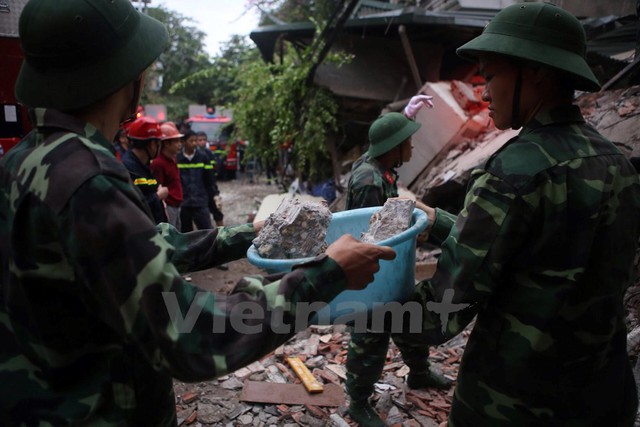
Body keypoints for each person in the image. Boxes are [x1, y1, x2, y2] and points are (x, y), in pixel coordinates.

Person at [0, 0, 397, 425]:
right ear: (127, 75)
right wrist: (327, 274)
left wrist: (251, 233)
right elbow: (191, 334)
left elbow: (144, 248)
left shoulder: (27, 158)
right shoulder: (88, 181)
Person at [406, 3, 640, 425]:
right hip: (604, 397)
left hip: (513, 402)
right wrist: (436, 222)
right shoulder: (617, 162)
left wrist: (350, 293)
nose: (483, 92)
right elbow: (549, 253)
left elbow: (438, 314)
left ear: (535, 72)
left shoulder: (515, 170)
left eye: (490, 75)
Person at [345, 104, 452, 427]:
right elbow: (371, 234)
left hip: (391, 264)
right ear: (394, 148)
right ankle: (359, 402)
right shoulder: (368, 180)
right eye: (407, 141)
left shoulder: (383, 169)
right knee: (371, 333)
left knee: (408, 314)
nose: (413, 145)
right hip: (372, 270)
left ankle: (419, 373)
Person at [122, 116, 168, 224]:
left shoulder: (142, 164)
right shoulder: (129, 168)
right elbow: (133, 206)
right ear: (152, 145)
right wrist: (158, 196)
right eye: (158, 143)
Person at [177, 129, 217, 231]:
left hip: (201, 202)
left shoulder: (203, 157)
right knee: (186, 233)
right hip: (184, 204)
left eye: (195, 141)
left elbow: (210, 179)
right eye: (191, 141)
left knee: (207, 231)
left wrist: (213, 195)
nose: (194, 143)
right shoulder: (177, 158)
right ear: (184, 142)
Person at [151, 121, 184, 229]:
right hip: (168, 207)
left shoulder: (172, 160)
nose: (180, 144)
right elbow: (158, 188)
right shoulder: (158, 163)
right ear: (166, 143)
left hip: (176, 206)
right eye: (176, 141)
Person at [195, 130, 224, 226]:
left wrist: (215, 191)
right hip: (198, 189)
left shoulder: (209, 153)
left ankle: (222, 234)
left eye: (204, 140)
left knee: (217, 212)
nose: (202, 142)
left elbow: (213, 172)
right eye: (200, 140)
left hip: (210, 188)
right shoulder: (194, 155)